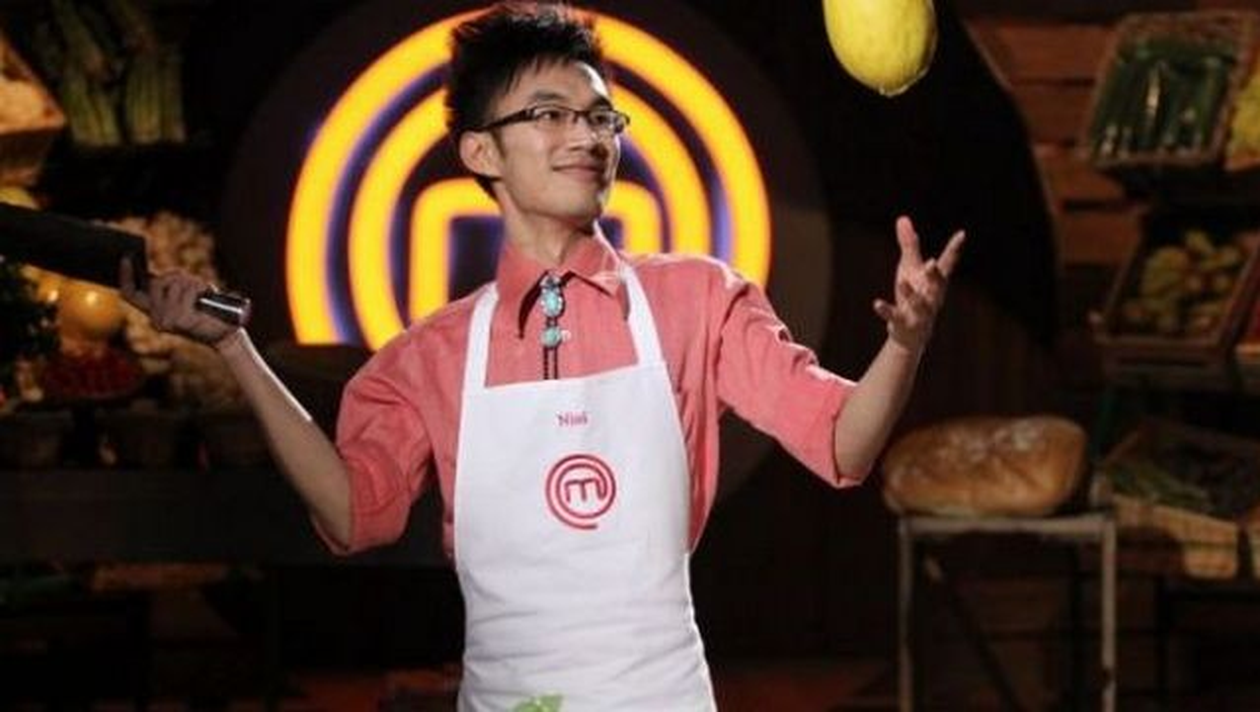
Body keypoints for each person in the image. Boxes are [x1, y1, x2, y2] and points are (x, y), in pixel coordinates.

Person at [122, 2, 964, 709]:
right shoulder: (431, 355)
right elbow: (353, 513)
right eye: (550, 114)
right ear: (481, 152)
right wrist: (236, 348)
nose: (586, 137)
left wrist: (904, 342)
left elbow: (843, 445)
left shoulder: (697, 300)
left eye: (600, 116)